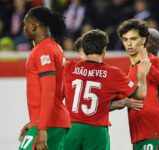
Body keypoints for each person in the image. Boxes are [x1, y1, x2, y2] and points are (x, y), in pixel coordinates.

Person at [63, 29, 151, 150]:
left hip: (70, 130)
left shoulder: (68, 67)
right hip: (96, 131)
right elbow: (140, 94)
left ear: (83, 49)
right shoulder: (113, 73)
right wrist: (142, 76)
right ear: (104, 49)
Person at [117, 19, 159, 150]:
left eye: (133, 38)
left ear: (143, 40)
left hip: (155, 131)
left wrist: (150, 70)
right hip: (139, 133)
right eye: (125, 39)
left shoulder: (153, 61)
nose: (129, 44)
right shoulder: (131, 68)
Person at [18, 6, 71, 150]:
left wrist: (41, 127)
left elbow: (49, 90)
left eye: (25, 24)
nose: (23, 28)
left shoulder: (44, 50)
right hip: (50, 122)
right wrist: (35, 121)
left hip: (49, 125)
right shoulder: (54, 47)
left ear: (34, 25)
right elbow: (62, 92)